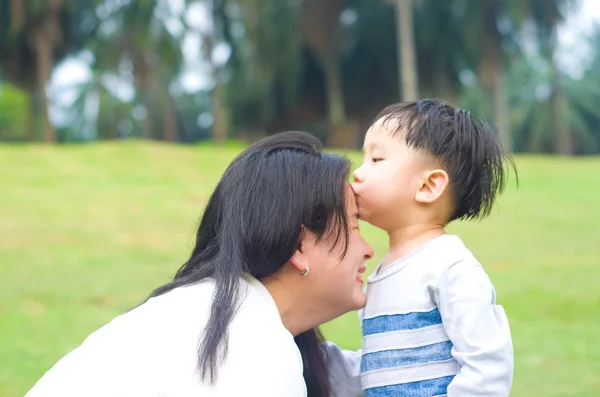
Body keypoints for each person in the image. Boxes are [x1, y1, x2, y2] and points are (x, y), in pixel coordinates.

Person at [25, 131, 374, 397]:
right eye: (356, 226)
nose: (369, 249)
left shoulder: (224, 316)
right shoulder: (253, 352)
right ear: (299, 245)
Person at [327, 100, 515, 396]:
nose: (358, 173)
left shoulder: (450, 267)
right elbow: (380, 369)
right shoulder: (381, 274)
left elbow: (488, 368)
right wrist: (315, 355)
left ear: (428, 187)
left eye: (376, 160)